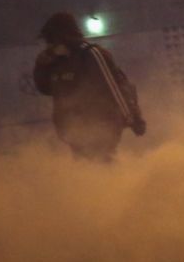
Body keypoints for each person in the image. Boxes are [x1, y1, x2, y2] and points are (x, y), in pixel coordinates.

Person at [33, 12, 145, 161]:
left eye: (51, 40)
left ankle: (124, 183)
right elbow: (44, 88)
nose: (49, 45)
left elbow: (114, 88)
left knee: (100, 163)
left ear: (62, 37)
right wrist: (41, 65)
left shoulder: (91, 54)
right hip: (74, 130)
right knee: (88, 168)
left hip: (102, 124)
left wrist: (133, 119)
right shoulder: (55, 62)